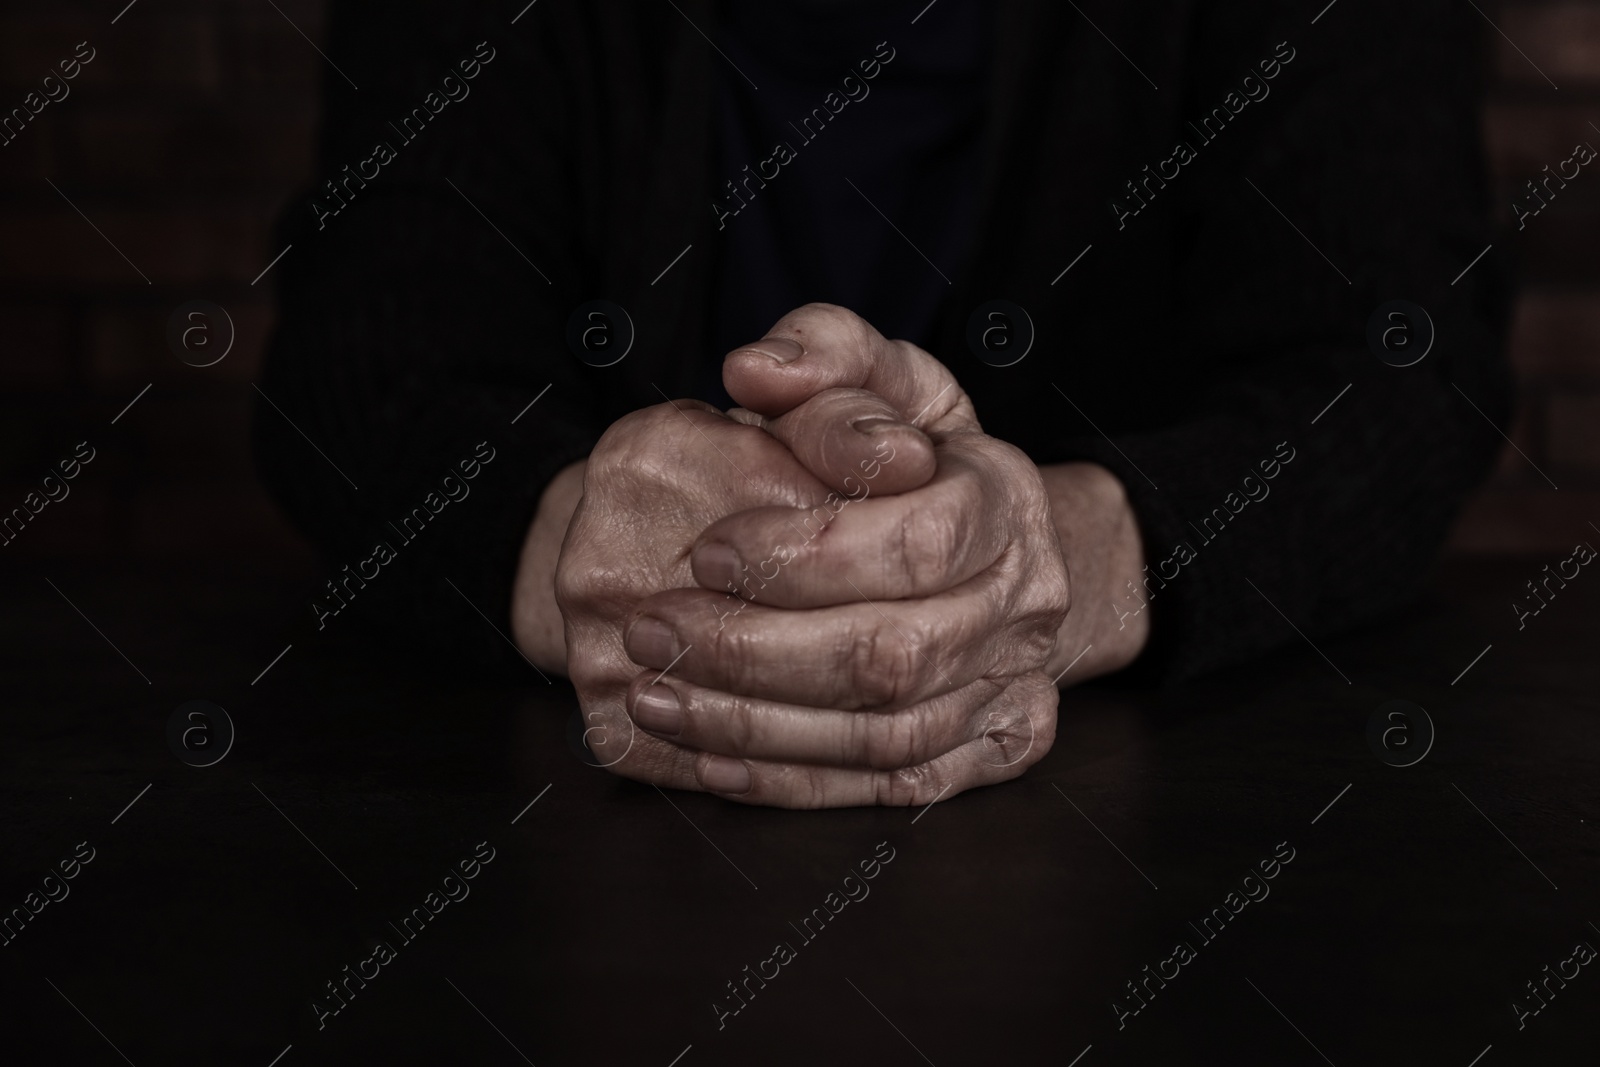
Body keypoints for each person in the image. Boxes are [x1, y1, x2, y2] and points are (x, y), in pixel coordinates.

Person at [255, 0, 1510, 807]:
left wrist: (1051, 560)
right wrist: (591, 549)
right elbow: (368, 360)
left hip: (1159, 867)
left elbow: (1398, 367)